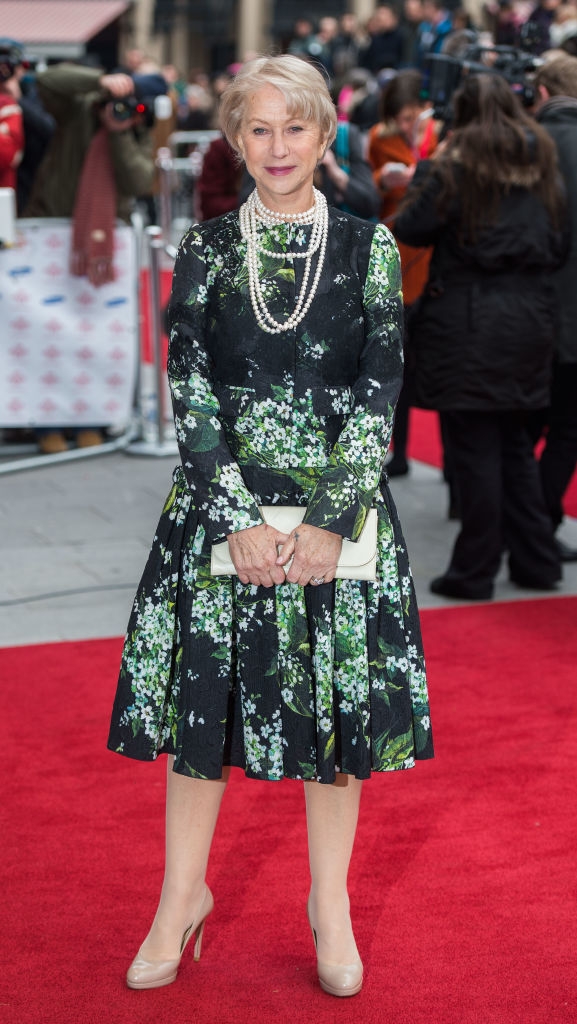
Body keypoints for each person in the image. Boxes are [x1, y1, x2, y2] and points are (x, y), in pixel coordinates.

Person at [108, 54, 433, 998]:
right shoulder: (206, 248)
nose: (277, 147)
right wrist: (234, 515)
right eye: (257, 128)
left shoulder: (369, 245)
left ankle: (327, 906)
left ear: (324, 131)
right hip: (222, 513)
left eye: (294, 127)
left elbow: (380, 387)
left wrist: (332, 518)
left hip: (342, 514)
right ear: (234, 139)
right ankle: (181, 897)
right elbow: (191, 386)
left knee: (336, 716)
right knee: (200, 713)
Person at [395, 72, 567, 600]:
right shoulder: (542, 167)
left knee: (476, 448)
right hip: (531, 316)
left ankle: (474, 570)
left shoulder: (454, 167)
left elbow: (411, 225)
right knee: (515, 442)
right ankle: (536, 560)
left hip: (468, 320)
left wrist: (430, 165)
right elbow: (558, 242)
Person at [25, 61, 165, 454]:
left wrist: (119, 133)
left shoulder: (136, 131)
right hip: (51, 237)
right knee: (47, 331)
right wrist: (101, 82)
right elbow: (48, 80)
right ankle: (47, 422)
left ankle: (92, 417)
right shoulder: (80, 109)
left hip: (103, 247)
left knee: (96, 334)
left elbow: (139, 181)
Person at [368, 69, 438, 476]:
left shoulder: (438, 134)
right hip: (397, 247)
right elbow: (374, 190)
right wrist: (385, 177)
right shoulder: (380, 138)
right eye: (403, 117)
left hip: (431, 254)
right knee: (399, 359)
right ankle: (401, 451)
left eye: (415, 115)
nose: (410, 124)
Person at [530, 54, 577, 561]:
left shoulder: (532, 147)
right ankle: (541, 522)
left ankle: (525, 526)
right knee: (567, 427)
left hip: (531, 310)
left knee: (520, 428)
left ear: (541, 94)